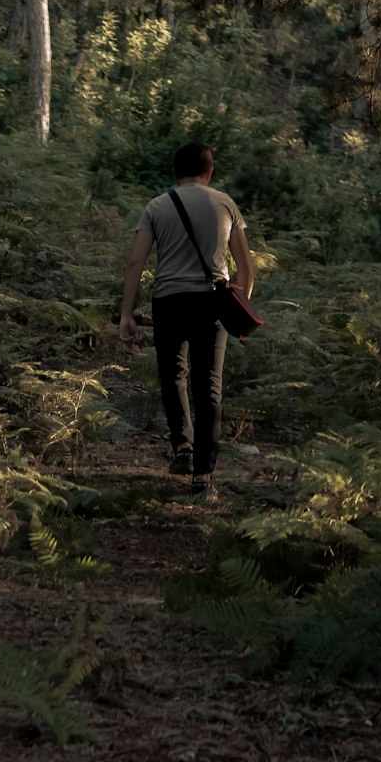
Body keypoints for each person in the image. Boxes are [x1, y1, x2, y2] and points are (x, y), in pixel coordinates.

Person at [118, 141, 255, 499]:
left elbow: (135, 262)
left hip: (169, 301)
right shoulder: (225, 202)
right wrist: (240, 306)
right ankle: (203, 476)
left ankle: (182, 448)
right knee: (209, 386)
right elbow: (246, 267)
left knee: (172, 375)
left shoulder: (157, 206)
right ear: (209, 172)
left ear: (174, 172)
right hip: (212, 301)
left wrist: (126, 313)